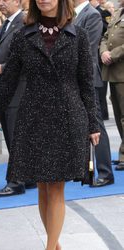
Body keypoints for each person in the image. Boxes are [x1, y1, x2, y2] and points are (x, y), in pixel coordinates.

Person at [0, 0, 100, 248]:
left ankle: (50, 246)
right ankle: (54, 245)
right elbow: (9, 81)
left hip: (68, 118)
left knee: (55, 188)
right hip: (33, 118)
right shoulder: (23, 36)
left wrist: (93, 123)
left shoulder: (79, 36)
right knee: (43, 187)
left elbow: (87, 82)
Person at [0, 0, 35, 197]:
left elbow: (27, 55)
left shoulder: (25, 22)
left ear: (18, 2)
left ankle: (16, 181)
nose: (1, 3)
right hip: (6, 88)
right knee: (12, 134)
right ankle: (27, 176)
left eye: (6, 0)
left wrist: (2, 67)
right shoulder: (4, 25)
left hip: (19, 88)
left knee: (15, 135)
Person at [73, 0, 114, 187]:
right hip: (71, 79)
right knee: (80, 125)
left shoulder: (92, 15)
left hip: (88, 78)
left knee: (96, 125)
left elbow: (87, 50)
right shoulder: (69, 14)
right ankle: (84, 172)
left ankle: (105, 173)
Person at [100, 0, 124, 171]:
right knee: (118, 114)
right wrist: (103, 52)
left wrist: (113, 54)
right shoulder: (118, 13)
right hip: (113, 71)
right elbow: (105, 37)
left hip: (121, 69)